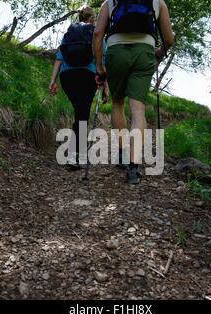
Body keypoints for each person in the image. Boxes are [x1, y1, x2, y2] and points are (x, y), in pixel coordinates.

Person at [93, 0, 174, 184]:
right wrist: (159, 53)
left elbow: (97, 33)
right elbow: (169, 39)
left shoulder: (110, 2)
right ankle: (134, 166)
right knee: (138, 110)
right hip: (144, 51)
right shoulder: (157, 2)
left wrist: (99, 67)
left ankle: (122, 153)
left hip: (116, 51)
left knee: (117, 103)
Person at [50, 5, 108, 171]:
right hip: (87, 75)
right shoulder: (96, 34)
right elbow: (102, 62)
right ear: (91, 19)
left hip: (67, 76)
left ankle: (76, 152)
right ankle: (74, 156)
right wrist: (105, 87)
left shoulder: (68, 34)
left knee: (80, 112)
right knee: (82, 114)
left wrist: (52, 80)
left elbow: (59, 57)